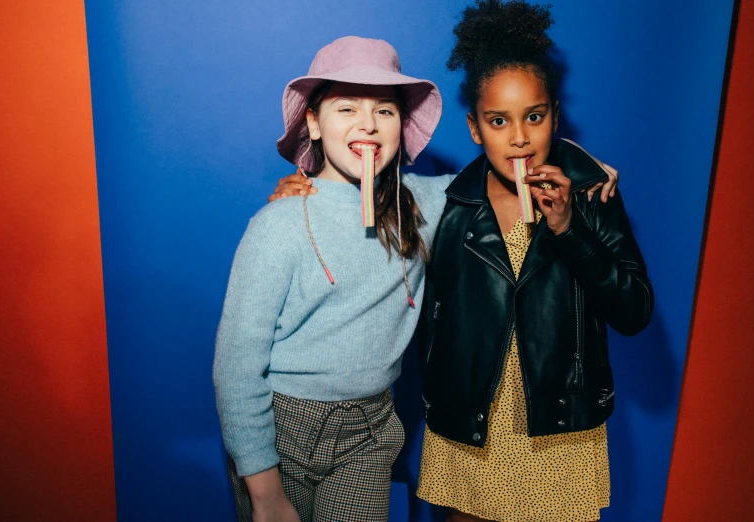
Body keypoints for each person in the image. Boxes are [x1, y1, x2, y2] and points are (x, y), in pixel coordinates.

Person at [415, 2, 654, 521]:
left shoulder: (591, 194)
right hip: (471, 429)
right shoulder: (449, 204)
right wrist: (304, 189)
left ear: (554, 117)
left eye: (534, 116)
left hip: (560, 429)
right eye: (498, 121)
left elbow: (635, 311)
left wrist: (569, 228)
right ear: (475, 128)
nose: (519, 137)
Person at [213, 36, 452, 522]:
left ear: (401, 126)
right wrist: (264, 492)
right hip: (280, 429)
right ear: (314, 123)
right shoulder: (278, 225)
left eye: (384, 110)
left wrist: (577, 163)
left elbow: (508, 161)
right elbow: (236, 366)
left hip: (369, 429)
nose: (367, 123)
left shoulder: (423, 203)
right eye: (347, 108)